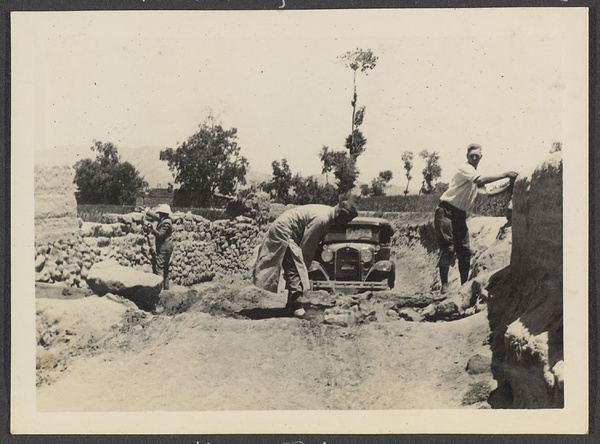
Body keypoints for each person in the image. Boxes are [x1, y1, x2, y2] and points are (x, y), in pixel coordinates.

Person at [434, 144, 517, 293]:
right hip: (446, 211)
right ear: (467, 156)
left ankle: (464, 286)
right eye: (471, 155)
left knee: (465, 251)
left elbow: (487, 194)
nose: (474, 158)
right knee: (448, 248)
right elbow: (481, 181)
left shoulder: (473, 177)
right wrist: (505, 174)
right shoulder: (466, 169)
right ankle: (444, 286)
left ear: (480, 157)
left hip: (459, 215)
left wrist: (507, 188)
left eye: (476, 156)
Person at [252, 201, 358, 317]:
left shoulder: (327, 215)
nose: (344, 224)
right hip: (284, 232)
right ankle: (297, 306)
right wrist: (304, 268)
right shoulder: (321, 219)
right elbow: (307, 247)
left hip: (289, 231)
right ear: (340, 214)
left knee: (295, 267)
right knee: (295, 267)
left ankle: (291, 304)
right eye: (345, 220)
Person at [145, 203, 174, 290]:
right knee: (165, 269)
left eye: (160, 213)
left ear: (163, 213)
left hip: (164, 249)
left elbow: (161, 235)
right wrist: (147, 211)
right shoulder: (166, 219)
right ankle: (166, 289)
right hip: (167, 248)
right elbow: (155, 217)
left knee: (159, 268)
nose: (159, 214)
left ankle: (160, 290)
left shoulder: (166, 223)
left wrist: (152, 230)